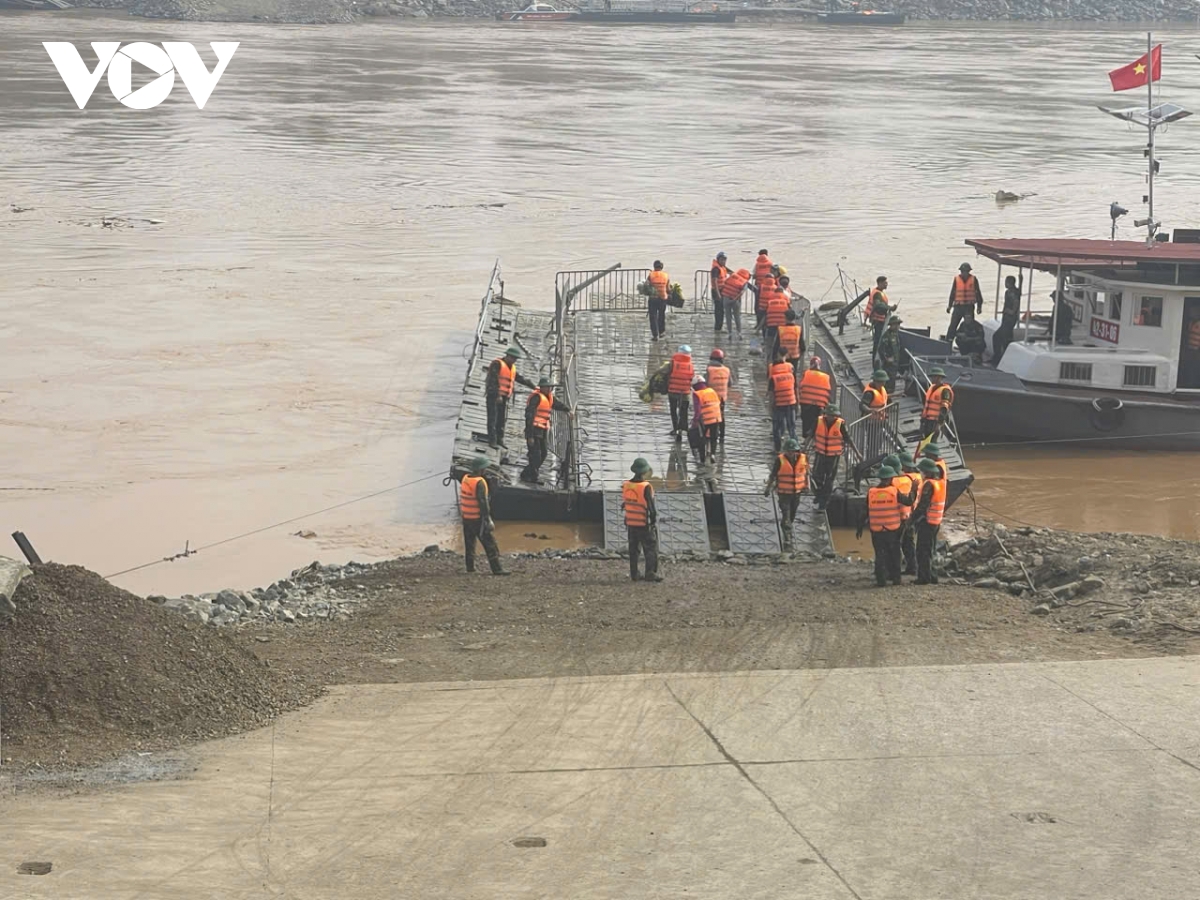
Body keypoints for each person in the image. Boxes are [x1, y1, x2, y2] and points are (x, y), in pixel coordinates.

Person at [857, 465, 913, 587]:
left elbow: (864, 511)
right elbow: (908, 502)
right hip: (892, 529)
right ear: (890, 479)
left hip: (876, 530)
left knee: (880, 554)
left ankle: (881, 580)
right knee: (895, 554)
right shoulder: (894, 491)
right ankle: (896, 579)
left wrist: (860, 527)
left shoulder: (871, 493)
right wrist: (914, 489)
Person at [457, 457, 509, 576]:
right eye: (484, 468)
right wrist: (488, 519)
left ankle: (470, 568)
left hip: (466, 518)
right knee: (490, 544)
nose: (485, 470)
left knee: (469, 544)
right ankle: (497, 569)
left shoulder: (465, 478)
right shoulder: (480, 482)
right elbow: (483, 502)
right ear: (480, 470)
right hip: (477, 519)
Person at [521, 377, 572, 483]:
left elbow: (557, 405)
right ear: (542, 387)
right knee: (535, 454)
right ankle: (532, 476)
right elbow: (529, 417)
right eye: (548, 387)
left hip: (543, 430)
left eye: (551, 387)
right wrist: (529, 435)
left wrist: (567, 410)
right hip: (534, 430)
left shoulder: (549, 397)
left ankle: (527, 472)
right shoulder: (536, 398)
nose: (550, 389)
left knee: (543, 453)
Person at [484, 345, 537, 448]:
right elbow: (493, 380)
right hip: (494, 396)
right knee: (492, 418)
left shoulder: (511, 368)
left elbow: (520, 378)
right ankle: (492, 441)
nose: (514, 360)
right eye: (512, 358)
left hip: (504, 397)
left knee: (501, 418)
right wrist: (498, 394)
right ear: (507, 356)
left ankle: (500, 439)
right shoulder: (497, 364)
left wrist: (534, 387)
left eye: (515, 359)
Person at [623, 458, 662, 582]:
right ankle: (650, 573)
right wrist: (654, 519)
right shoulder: (646, 487)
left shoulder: (627, 485)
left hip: (631, 523)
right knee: (651, 548)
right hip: (644, 523)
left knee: (633, 549)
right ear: (644, 472)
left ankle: (634, 573)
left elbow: (627, 503)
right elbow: (650, 506)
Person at [765, 437, 808, 550]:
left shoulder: (803, 459)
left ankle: (787, 526)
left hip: (796, 493)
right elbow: (773, 475)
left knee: (793, 513)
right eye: (788, 451)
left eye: (793, 451)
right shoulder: (779, 460)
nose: (790, 453)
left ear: (796, 451)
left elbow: (805, 473)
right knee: (786, 513)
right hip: (784, 493)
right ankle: (787, 537)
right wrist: (768, 488)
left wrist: (807, 486)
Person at [812, 404, 856, 510]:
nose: (832, 417)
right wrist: (804, 449)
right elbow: (811, 435)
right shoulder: (818, 421)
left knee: (829, 479)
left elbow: (848, 439)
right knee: (816, 476)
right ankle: (819, 494)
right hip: (820, 453)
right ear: (826, 415)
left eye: (834, 415)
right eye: (830, 415)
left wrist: (857, 453)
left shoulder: (840, 424)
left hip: (833, 456)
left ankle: (823, 502)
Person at [911, 457, 946, 585]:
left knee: (922, 550)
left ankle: (924, 578)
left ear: (927, 471)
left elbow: (922, 506)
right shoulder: (940, 483)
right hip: (936, 522)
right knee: (930, 549)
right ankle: (932, 575)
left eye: (922, 471)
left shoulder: (929, 485)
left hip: (927, 522)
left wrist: (911, 520)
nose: (921, 473)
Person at [892, 451, 921, 576]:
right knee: (909, 543)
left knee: (898, 544)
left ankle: (896, 570)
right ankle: (912, 567)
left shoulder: (901, 480)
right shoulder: (918, 477)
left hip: (902, 516)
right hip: (914, 514)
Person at [767, 350, 798, 451]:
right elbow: (795, 389)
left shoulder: (774, 378)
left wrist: (771, 407)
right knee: (791, 427)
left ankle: (777, 448)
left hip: (779, 405)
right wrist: (798, 403)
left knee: (777, 428)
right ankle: (796, 448)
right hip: (791, 403)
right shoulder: (790, 376)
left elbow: (772, 395)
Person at [946, 262, 983, 344]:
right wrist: (949, 306)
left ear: (969, 271)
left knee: (970, 326)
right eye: (963, 271)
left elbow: (978, 293)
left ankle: (970, 344)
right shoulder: (956, 279)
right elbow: (953, 293)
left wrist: (979, 306)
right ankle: (948, 342)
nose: (964, 273)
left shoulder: (973, 279)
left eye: (966, 271)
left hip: (969, 307)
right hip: (958, 307)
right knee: (953, 326)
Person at [797, 355, 832, 439]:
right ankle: (814, 439)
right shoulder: (826, 377)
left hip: (806, 403)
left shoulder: (806, 373)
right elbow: (828, 391)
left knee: (806, 422)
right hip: (820, 404)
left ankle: (806, 438)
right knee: (817, 423)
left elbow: (800, 386)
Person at [691, 377, 723, 463]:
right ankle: (712, 454)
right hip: (716, 417)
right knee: (713, 437)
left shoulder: (697, 394)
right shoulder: (711, 391)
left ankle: (702, 458)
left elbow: (697, 410)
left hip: (705, 419)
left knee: (701, 438)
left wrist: (695, 421)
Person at [993, 273, 1023, 362]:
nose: (1005, 284)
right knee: (1006, 336)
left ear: (1010, 283)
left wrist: (1011, 311)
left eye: (1006, 282)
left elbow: (1016, 302)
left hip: (1010, 318)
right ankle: (1002, 357)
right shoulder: (1010, 291)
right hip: (1007, 318)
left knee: (998, 336)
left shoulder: (1013, 293)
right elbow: (1019, 292)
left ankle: (998, 357)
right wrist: (1021, 280)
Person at [666, 345, 695, 437]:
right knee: (683, 411)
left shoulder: (672, 363)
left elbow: (665, 373)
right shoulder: (691, 365)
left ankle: (675, 428)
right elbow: (692, 378)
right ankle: (684, 427)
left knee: (673, 410)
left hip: (673, 391)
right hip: (685, 392)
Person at [706, 349, 733, 443]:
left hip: (710, 398)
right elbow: (730, 383)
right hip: (722, 398)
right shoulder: (727, 370)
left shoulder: (709, 370)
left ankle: (711, 435)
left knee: (710, 417)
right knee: (721, 416)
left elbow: (705, 383)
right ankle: (722, 435)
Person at [920, 367, 954, 440]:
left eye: (934, 377)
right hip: (927, 420)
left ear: (939, 377)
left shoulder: (945, 391)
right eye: (932, 377)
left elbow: (944, 408)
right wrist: (923, 419)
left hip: (935, 421)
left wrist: (939, 424)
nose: (932, 379)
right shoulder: (932, 388)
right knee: (925, 441)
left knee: (932, 441)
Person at [718, 267, 752, 337]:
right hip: (735, 300)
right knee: (737, 316)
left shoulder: (732, 276)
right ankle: (739, 333)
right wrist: (735, 299)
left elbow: (725, 283)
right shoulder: (744, 282)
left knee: (728, 316)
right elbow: (742, 292)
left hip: (726, 298)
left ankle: (730, 332)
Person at [875, 315, 904, 393]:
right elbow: (881, 349)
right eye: (896, 324)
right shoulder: (887, 336)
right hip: (889, 364)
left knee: (893, 379)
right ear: (891, 325)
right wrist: (886, 359)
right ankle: (887, 395)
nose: (898, 326)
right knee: (888, 380)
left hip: (895, 362)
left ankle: (890, 393)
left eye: (898, 324)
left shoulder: (896, 334)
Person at [868, 276, 894, 355]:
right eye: (885, 283)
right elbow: (878, 305)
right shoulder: (877, 294)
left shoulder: (878, 292)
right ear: (880, 283)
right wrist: (890, 308)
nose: (887, 284)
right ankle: (876, 359)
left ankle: (878, 356)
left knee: (879, 340)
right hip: (878, 321)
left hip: (880, 320)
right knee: (878, 341)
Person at [764, 285, 791, 356]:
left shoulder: (770, 297)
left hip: (771, 323)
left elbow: (766, 312)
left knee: (770, 339)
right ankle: (780, 355)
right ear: (782, 292)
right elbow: (789, 311)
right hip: (782, 323)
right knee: (781, 341)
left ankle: (769, 355)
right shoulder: (786, 298)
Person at [647, 260, 670, 341]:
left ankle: (655, 335)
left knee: (653, 316)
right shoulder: (666, 275)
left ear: (654, 267)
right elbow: (668, 288)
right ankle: (661, 332)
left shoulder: (651, 275)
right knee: (661, 315)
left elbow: (647, 286)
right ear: (662, 267)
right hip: (663, 298)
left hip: (653, 298)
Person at [776, 307, 804, 372]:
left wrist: (774, 357)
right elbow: (802, 346)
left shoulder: (781, 329)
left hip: (783, 356)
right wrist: (800, 355)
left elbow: (776, 345)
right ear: (794, 318)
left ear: (785, 318)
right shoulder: (798, 329)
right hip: (794, 356)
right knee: (793, 375)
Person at [710, 252, 730, 332]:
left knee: (721, 310)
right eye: (722, 260)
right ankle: (718, 328)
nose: (723, 261)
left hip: (722, 290)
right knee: (719, 310)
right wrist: (718, 294)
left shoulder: (722, 267)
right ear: (718, 260)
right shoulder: (716, 269)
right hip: (717, 291)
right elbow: (714, 282)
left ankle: (719, 327)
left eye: (725, 260)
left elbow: (729, 271)